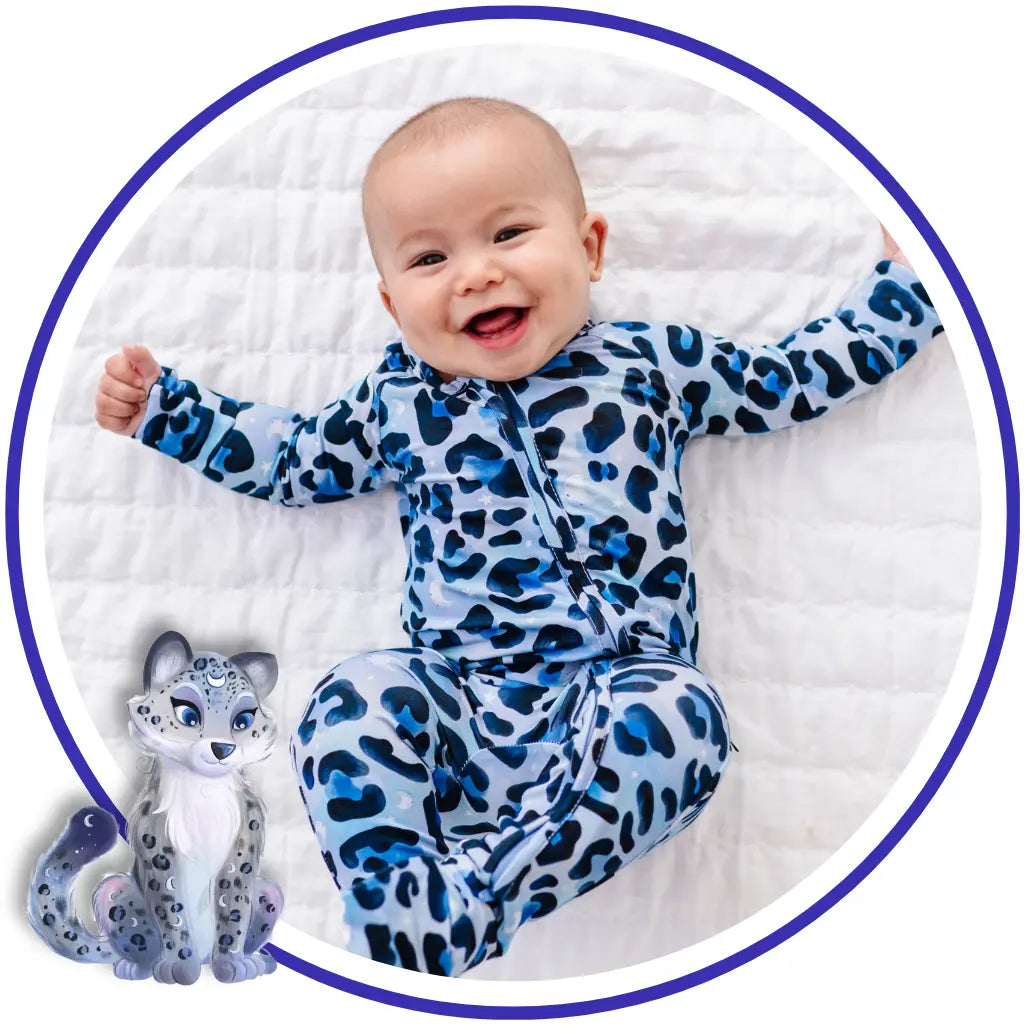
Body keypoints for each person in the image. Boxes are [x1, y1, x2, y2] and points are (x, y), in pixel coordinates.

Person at [94, 97, 941, 977]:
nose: (474, 274)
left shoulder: (650, 366)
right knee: (353, 699)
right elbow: (295, 459)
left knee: (684, 713)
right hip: (457, 705)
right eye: (429, 257)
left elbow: (789, 380)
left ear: (589, 248)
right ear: (392, 304)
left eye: (507, 234)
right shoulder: (398, 405)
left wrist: (907, 288)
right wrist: (169, 412)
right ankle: (397, 905)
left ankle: (457, 908)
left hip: (612, 699)